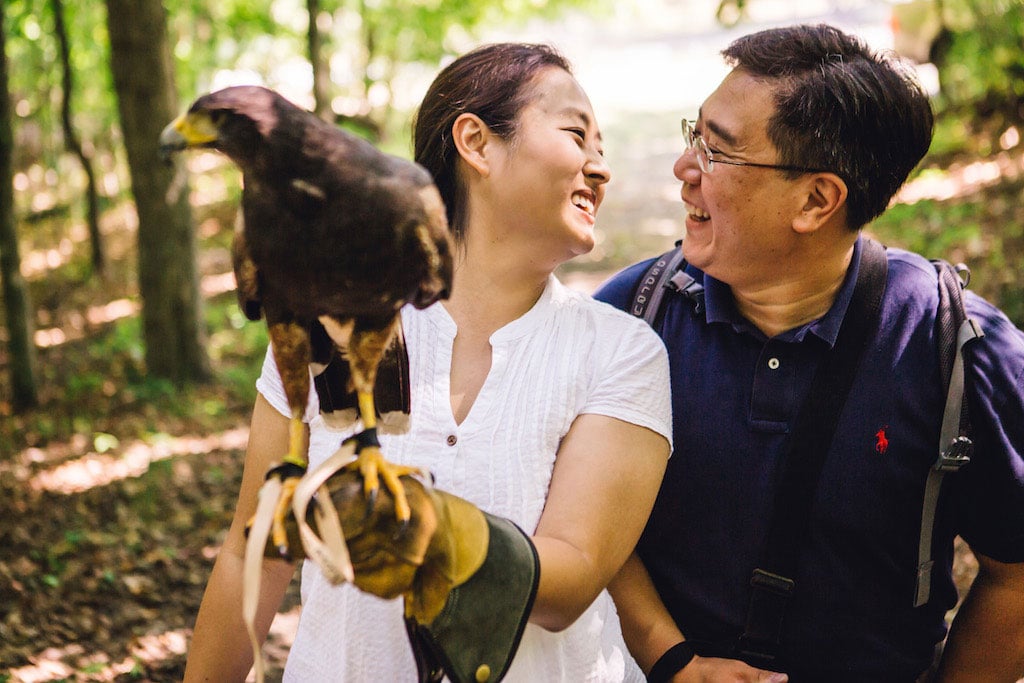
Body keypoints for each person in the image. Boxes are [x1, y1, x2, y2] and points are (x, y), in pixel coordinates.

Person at [183, 42, 672, 682]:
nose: (599, 168)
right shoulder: (326, 317)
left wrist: (434, 529)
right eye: (578, 135)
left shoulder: (623, 351)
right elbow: (256, 552)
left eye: (601, 149)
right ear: (475, 141)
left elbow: (574, 575)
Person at [596, 23, 1024, 683]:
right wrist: (672, 659)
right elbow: (579, 519)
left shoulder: (956, 345)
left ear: (817, 200)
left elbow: (1014, 575)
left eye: (717, 152)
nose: (683, 171)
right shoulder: (631, 315)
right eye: (695, 135)